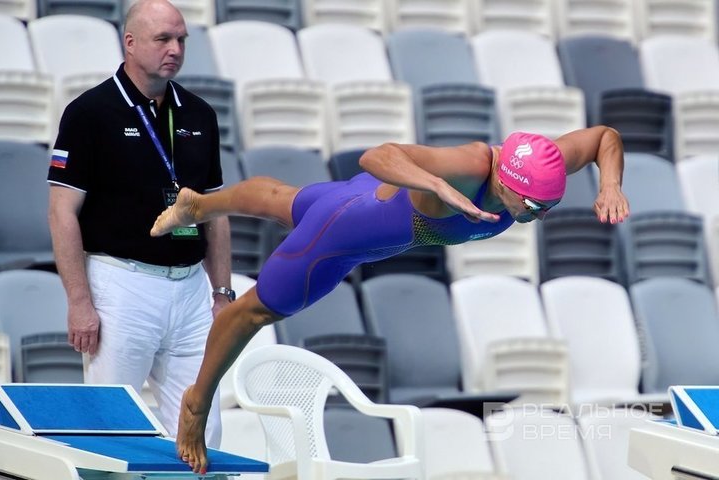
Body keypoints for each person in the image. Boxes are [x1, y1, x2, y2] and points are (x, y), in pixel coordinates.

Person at [151, 126, 630, 473]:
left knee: (282, 199)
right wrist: (436, 185)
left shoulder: (537, 162)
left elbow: (603, 137)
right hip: (347, 232)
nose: (540, 216)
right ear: (504, 181)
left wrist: (609, 184)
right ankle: (196, 402)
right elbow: (376, 156)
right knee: (252, 311)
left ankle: (198, 204)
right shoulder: (467, 166)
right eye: (533, 208)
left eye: (548, 208)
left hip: (370, 210)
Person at [47, 0, 230, 447]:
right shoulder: (90, 113)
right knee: (111, 430)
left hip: (189, 292)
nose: (176, 49)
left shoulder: (199, 115)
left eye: (182, 39)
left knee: (203, 432)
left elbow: (213, 211)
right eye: (163, 39)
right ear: (130, 43)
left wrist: (222, 292)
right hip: (122, 284)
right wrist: (79, 301)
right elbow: (61, 212)